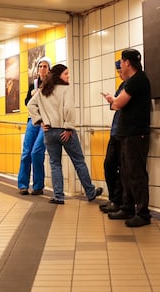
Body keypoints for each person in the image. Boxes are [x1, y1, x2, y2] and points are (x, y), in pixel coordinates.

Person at [27, 63, 103, 204]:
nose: (68, 76)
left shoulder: (44, 91)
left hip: (49, 132)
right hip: (64, 131)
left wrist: (40, 121)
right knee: (79, 161)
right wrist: (68, 127)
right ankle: (90, 192)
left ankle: (58, 196)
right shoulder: (65, 89)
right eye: (66, 73)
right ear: (58, 75)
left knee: (55, 164)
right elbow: (69, 108)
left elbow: (30, 105)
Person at [103, 49, 152, 228]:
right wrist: (114, 100)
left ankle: (143, 213)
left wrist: (111, 99)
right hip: (127, 134)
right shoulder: (133, 81)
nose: (120, 66)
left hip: (136, 134)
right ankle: (127, 207)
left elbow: (118, 103)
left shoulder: (138, 80)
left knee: (136, 173)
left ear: (127, 63)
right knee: (125, 172)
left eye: (122, 62)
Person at [18, 57, 50, 196]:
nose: (42, 69)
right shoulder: (34, 84)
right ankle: (23, 185)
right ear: (37, 69)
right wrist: (32, 95)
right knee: (26, 153)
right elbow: (26, 102)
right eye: (40, 66)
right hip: (32, 120)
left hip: (45, 121)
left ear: (49, 69)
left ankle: (38, 186)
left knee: (36, 153)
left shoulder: (52, 85)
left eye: (45, 66)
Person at [99, 60, 125, 213]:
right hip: (115, 131)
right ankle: (114, 199)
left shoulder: (132, 85)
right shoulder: (122, 86)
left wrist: (114, 101)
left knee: (122, 168)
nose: (119, 74)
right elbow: (114, 105)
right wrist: (112, 100)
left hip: (124, 133)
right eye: (117, 72)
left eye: (120, 71)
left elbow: (118, 104)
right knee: (109, 165)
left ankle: (119, 201)